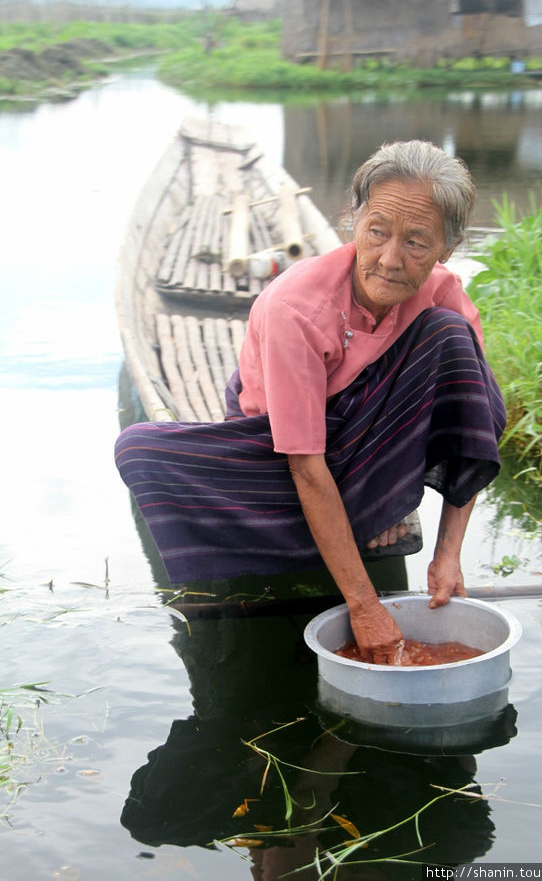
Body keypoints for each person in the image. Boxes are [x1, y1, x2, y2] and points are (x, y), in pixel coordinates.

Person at [115, 139, 505, 665]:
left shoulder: (441, 293)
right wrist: (364, 604)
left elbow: (472, 418)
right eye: (377, 232)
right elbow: (304, 463)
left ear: (448, 247)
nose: (390, 260)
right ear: (354, 221)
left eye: (416, 242)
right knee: (142, 450)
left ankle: (377, 498)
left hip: (364, 432)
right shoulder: (296, 308)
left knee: (454, 339)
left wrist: (448, 555)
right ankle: (367, 505)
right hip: (282, 448)